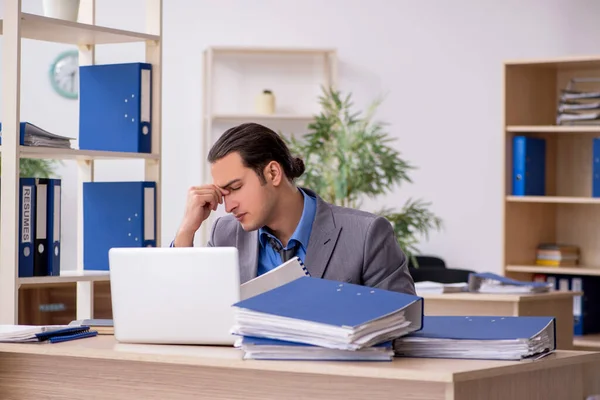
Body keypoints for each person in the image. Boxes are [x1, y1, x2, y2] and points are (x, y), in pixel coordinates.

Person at [173, 122, 416, 295]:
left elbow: (401, 325)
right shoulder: (225, 234)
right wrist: (186, 230)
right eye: (222, 194)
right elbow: (188, 308)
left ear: (273, 173)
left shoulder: (366, 234)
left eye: (235, 188)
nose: (228, 207)